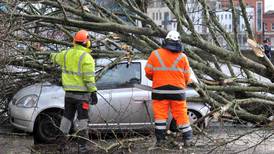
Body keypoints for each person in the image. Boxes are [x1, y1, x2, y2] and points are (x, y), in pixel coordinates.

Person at [50, 30, 98, 153]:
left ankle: (61, 144)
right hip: (82, 97)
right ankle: (82, 147)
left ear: (74, 42)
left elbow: (54, 57)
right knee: (83, 120)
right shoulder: (87, 57)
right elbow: (89, 78)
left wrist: (49, 55)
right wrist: (93, 92)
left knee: (67, 118)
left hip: (69, 95)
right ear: (87, 43)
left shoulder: (65, 54)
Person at [145, 30, 193, 147]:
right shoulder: (183, 57)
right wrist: (181, 83)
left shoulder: (155, 54)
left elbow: (148, 72)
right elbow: (187, 76)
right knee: (181, 115)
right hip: (178, 91)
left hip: (159, 92)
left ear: (165, 41)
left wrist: (158, 79)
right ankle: (188, 139)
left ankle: (160, 141)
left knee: (160, 117)